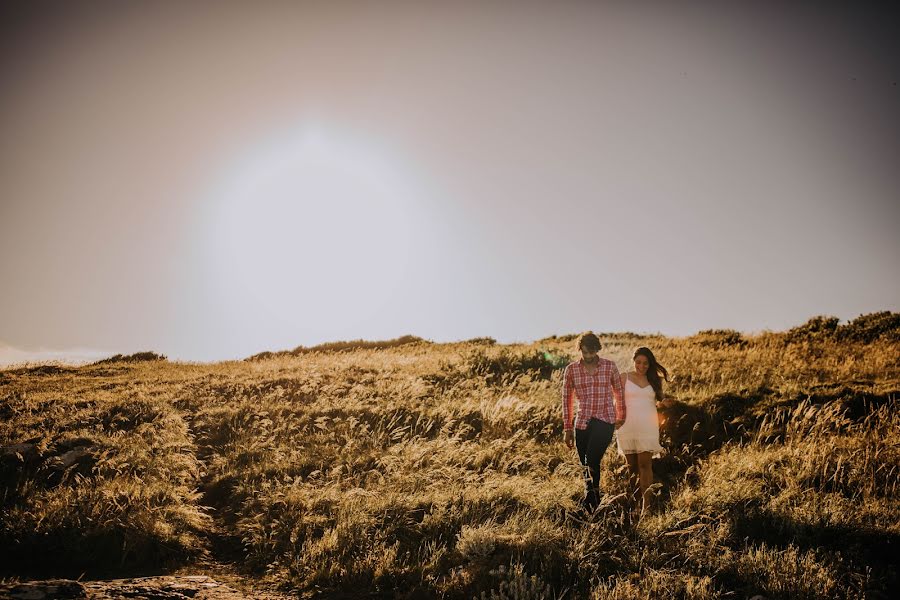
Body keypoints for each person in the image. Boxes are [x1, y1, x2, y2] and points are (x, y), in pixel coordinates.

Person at [561, 333, 625, 512]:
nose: (588, 356)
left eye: (592, 352)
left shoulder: (609, 366)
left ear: (597, 350)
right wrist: (567, 428)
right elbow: (566, 400)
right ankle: (594, 498)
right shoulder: (571, 370)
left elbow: (619, 392)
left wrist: (621, 415)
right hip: (582, 422)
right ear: (579, 349)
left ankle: (590, 499)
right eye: (585, 352)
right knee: (585, 463)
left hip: (605, 419)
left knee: (592, 458)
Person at [615, 346, 668, 515]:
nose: (642, 366)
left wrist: (665, 405)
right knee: (632, 468)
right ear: (633, 361)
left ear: (650, 364)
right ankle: (635, 505)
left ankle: (647, 507)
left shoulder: (654, 380)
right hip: (627, 426)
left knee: (645, 465)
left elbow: (659, 401)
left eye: (646, 363)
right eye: (638, 362)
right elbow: (615, 401)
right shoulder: (624, 377)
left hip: (647, 426)